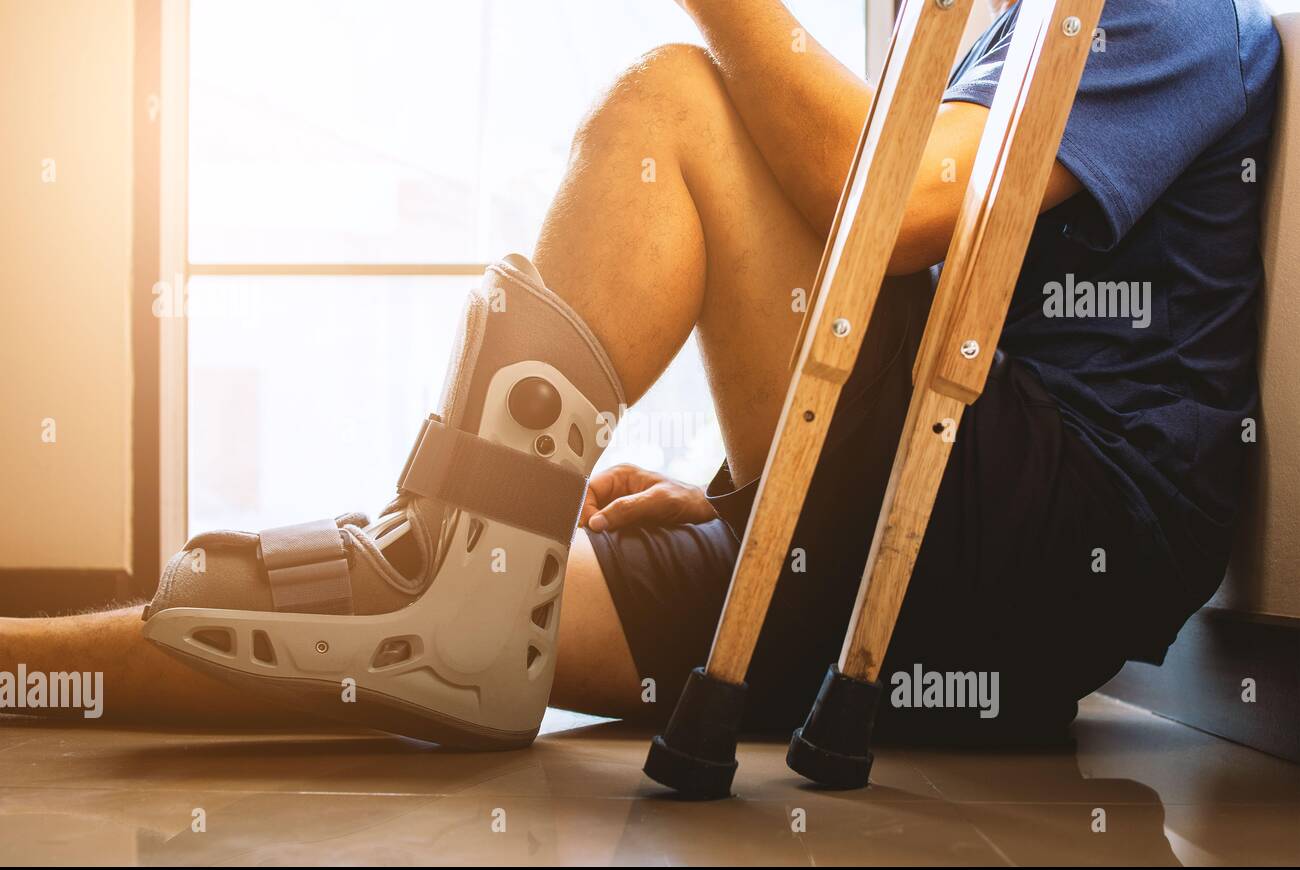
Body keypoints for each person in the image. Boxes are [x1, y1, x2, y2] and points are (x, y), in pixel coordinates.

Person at [1, 0, 1281, 744]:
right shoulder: (993, 34)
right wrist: (735, 488)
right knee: (426, 635)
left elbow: (882, 211)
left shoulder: (1155, 13)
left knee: (676, 98)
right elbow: (912, 318)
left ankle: (443, 551)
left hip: (1044, 549)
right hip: (928, 554)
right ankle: (24, 659)